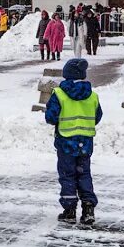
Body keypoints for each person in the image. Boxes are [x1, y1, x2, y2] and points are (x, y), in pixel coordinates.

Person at [45, 58, 102, 225]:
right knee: (84, 173)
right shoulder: (92, 95)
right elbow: (97, 116)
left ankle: (69, 210)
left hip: (66, 142)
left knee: (67, 174)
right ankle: (88, 207)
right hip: (85, 142)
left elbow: (51, 117)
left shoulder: (60, 94)